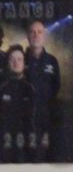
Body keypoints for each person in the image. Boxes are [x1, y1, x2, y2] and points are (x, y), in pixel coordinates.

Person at [23, 20, 58, 160]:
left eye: (39, 32)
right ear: (27, 36)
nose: (36, 35)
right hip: (23, 121)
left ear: (44, 36)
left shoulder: (52, 61)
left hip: (45, 120)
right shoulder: (20, 60)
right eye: (32, 32)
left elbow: (56, 86)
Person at [0, 46, 36, 163]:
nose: (16, 63)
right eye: (12, 59)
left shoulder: (30, 90)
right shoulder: (2, 89)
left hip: (26, 146)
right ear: (7, 63)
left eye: (19, 59)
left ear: (24, 63)